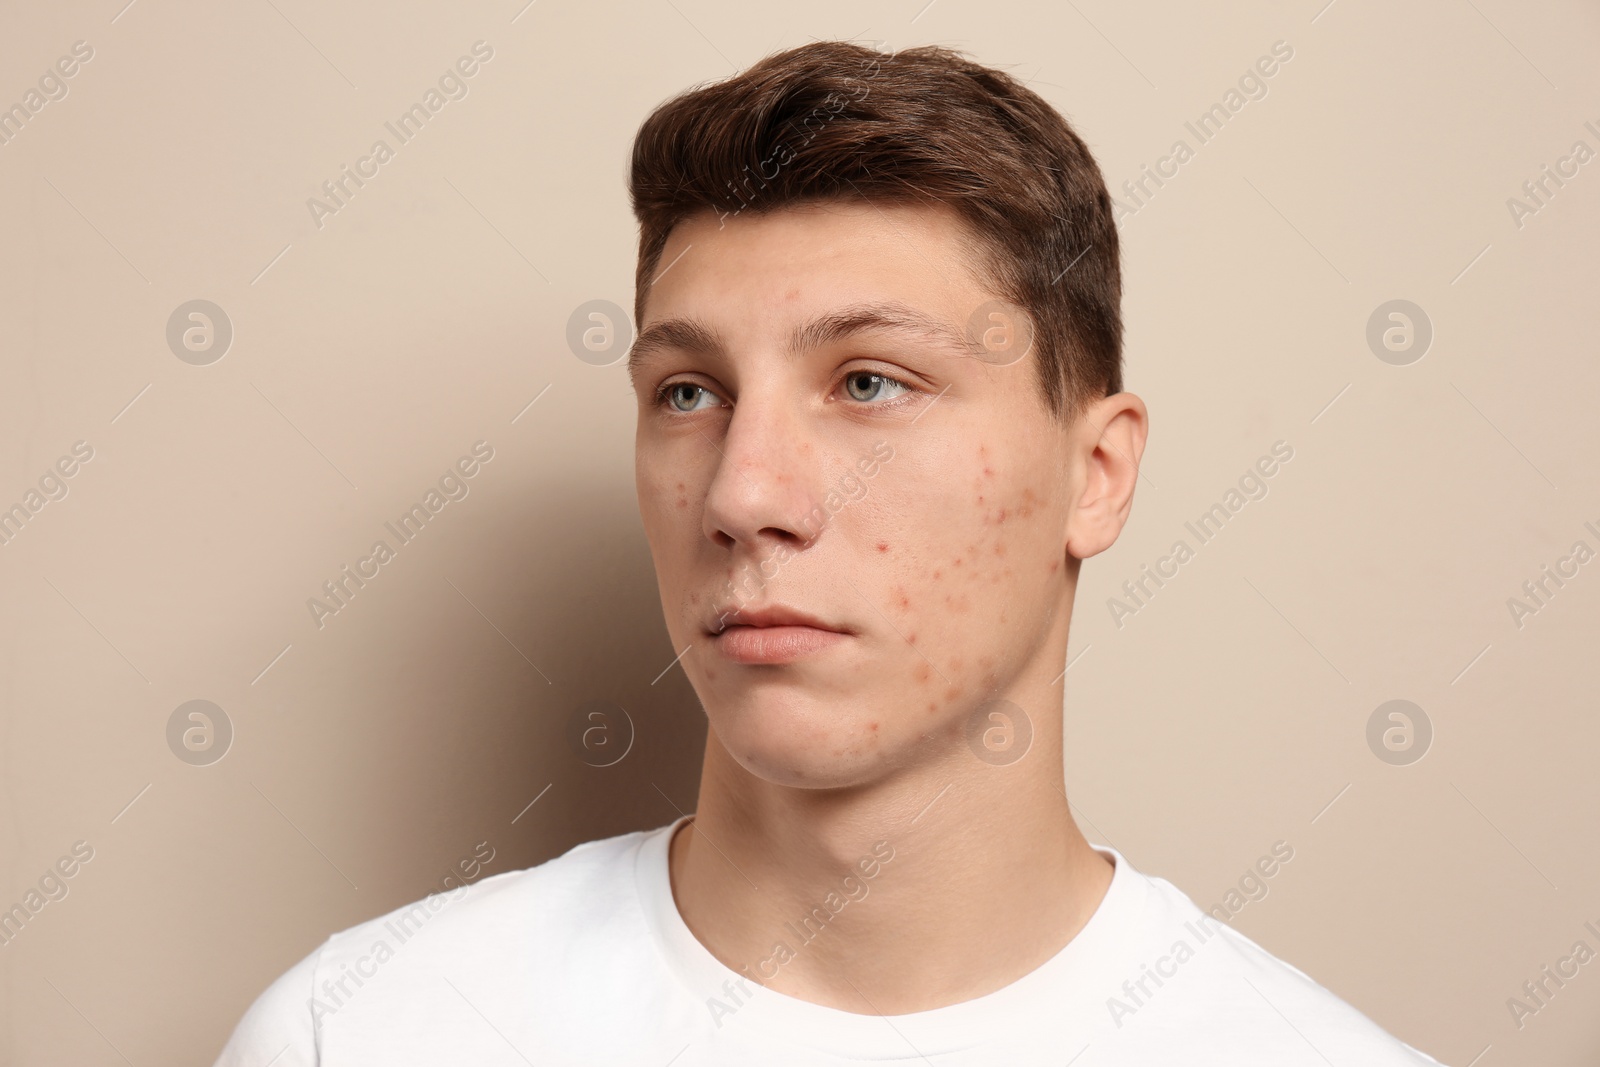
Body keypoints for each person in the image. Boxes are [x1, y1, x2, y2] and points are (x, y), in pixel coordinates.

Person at [214, 40, 1449, 1066]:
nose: (744, 495)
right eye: (689, 393)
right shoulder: (360, 1034)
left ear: (1095, 475)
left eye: (870, 380)